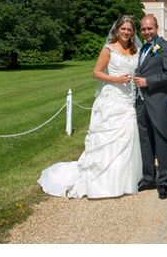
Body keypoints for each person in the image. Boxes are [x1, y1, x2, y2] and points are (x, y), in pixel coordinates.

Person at [37, 15, 142, 199]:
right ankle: (103, 183)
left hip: (128, 99)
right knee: (108, 138)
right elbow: (96, 72)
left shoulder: (135, 50)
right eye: (123, 29)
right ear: (117, 30)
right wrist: (116, 80)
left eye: (129, 30)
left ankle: (125, 180)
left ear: (133, 33)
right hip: (111, 98)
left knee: (127, 136)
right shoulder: (109, 49)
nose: (126, 32)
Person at [134, 14, 167, 200]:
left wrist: (148, 81)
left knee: (161, 142)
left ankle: (163, 182)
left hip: (158, 102)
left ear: (157, 28)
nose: (146, 32)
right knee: (145, 141)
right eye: (143, 29)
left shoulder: (165, 48)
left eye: (149, 28)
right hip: (141, 103)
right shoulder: (142, 49)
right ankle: (148, 178)